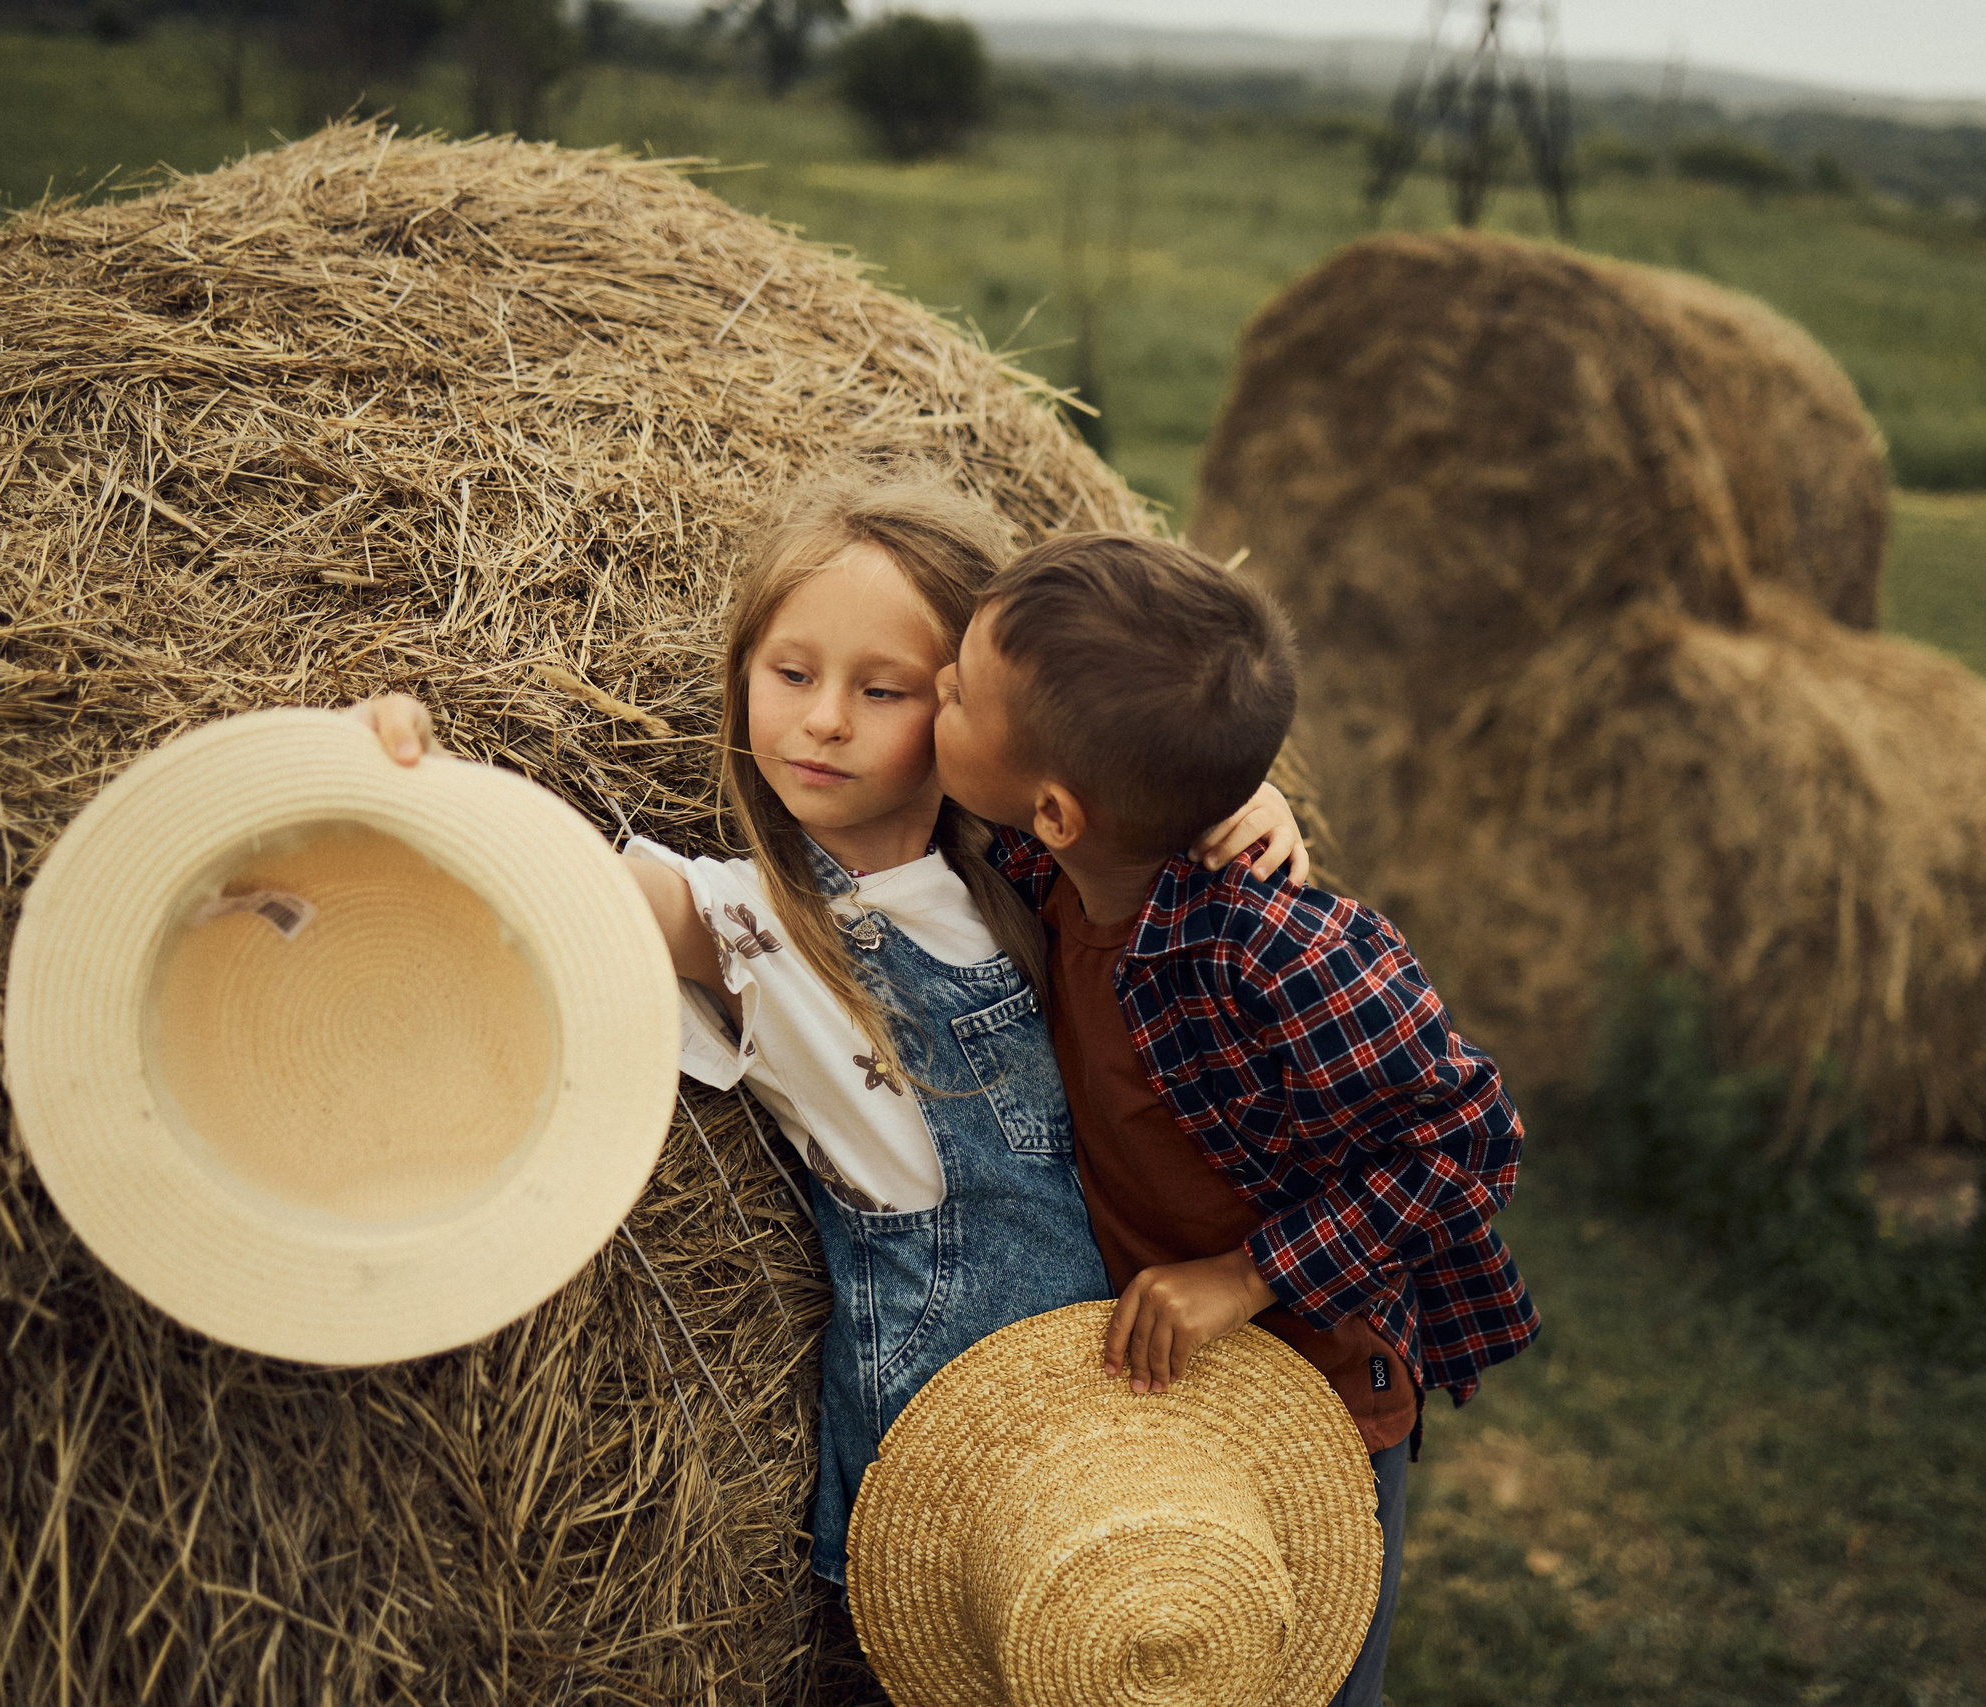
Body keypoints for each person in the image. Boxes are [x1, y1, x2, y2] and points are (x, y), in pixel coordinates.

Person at [348, 470, 1307, 1591]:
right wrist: (414, 774)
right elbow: (556, 882)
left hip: (1126, 1374)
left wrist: (1234, 803)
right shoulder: (755, 926)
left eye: (885, 691)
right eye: (790, 674)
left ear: (971, 717)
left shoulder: (1031, 872)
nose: (824, 719)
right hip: (939, 1404)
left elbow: (1146, 762)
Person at [931, 530, 1541, 1706]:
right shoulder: (1063, 862)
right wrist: (1228, 780)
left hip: (1314, 1382)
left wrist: (1248, 1275)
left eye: (953, 690)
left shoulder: (1276, 950)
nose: (935, 691)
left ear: (1059, 808)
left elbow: (1467, 1140)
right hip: (1162, 1371)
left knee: (1289, 1667)